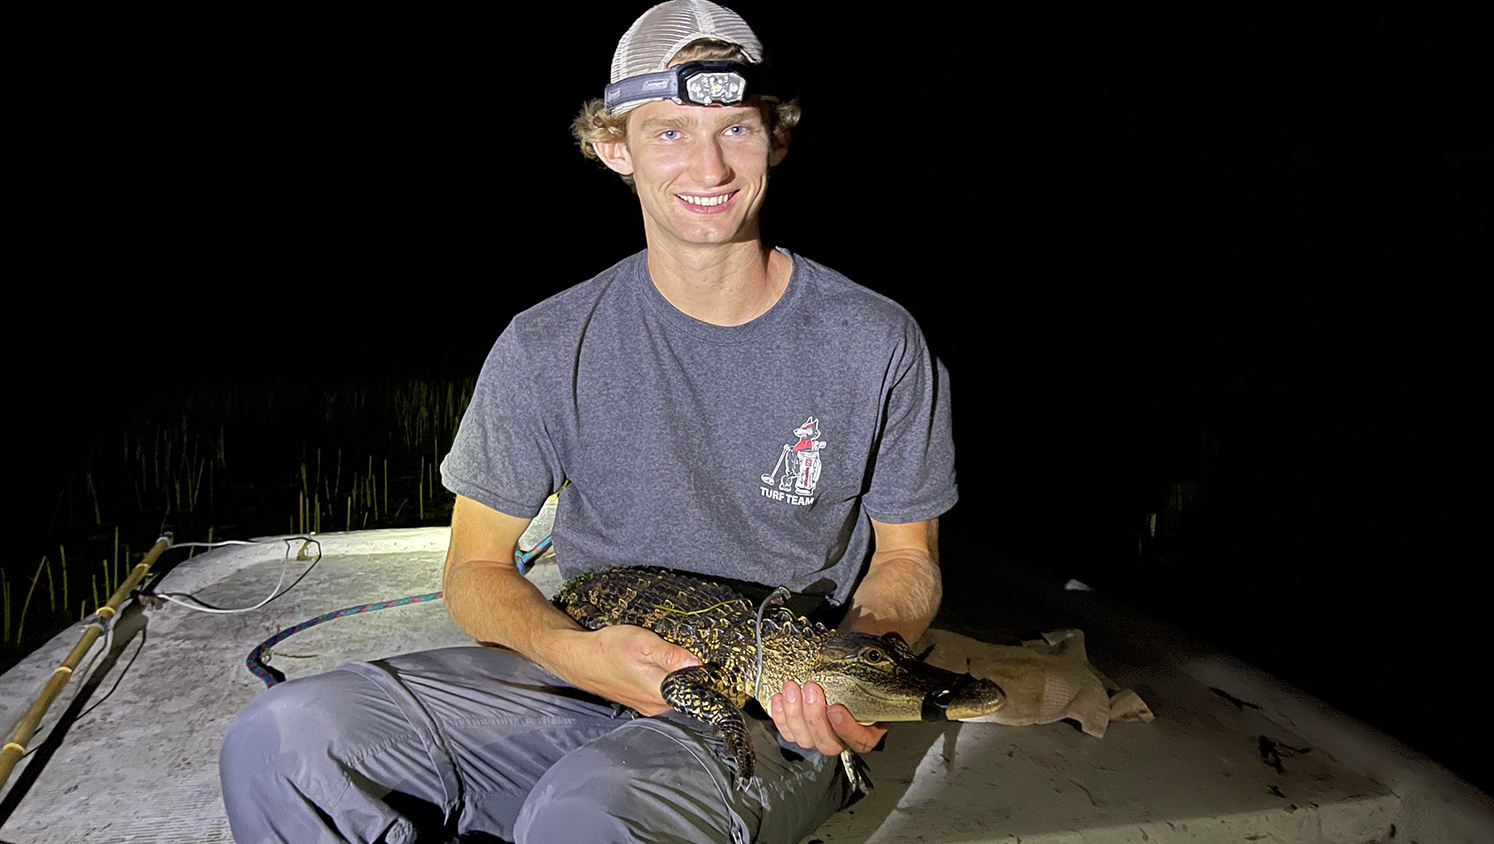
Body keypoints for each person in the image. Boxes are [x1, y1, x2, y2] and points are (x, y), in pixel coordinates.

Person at [219, 2, 956, 841]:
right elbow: (475, 568)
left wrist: (842, 668)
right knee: (283, 738)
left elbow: (907, 562)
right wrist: (571, 652)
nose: (708, 164)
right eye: (669, 131)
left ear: (776, 139)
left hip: (765, 699)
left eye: (737, 129)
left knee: (587, 812)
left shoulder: (876, 339)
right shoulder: (546, 341)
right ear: (614, 147)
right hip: (581, 659)